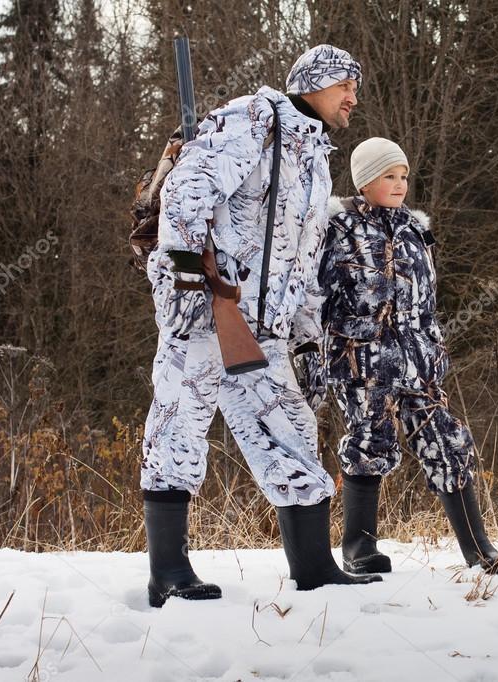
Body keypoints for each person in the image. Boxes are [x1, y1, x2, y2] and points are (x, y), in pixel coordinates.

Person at [140, 45, 381, 607]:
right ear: (313, 82)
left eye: (355, 87)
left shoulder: (316, 160)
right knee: (179, 429)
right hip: (203, 317)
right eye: (345, 84)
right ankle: (168, 573)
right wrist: (186, 289)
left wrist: (308, 324)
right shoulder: (254, 119)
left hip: (261, 333)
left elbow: (303, 250)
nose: (352, 97)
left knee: (292, 433)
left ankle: (316, 569)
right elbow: (184, 196)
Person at [313, 137, 498, 575]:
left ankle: (477, 547)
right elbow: (317, 297)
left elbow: (426, 301)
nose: (400, 184)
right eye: (388, 176)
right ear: (365, 181)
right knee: (369, 443)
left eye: (403, 176)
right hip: (362, 361)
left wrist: (433, 347)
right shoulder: (337, 230)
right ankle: (358, 547)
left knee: (445, 439)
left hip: (418, 360)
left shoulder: (415, 230)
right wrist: (318, 354)